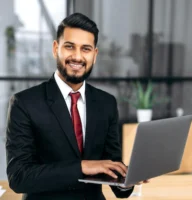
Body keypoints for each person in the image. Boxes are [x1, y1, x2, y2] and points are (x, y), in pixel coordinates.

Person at [6, 13, 145, 200]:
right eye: (70, 47)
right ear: (56, 49)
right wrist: (82, 166)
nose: (77, 57)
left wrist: (127, 178)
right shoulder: (24, 103)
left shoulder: (106, 103)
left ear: (94, 55)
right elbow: (19, 177)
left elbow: (111, 166)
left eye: (86, 49)